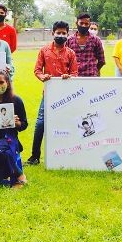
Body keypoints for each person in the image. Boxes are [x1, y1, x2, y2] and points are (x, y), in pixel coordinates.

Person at [25, 21, 78, 165]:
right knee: (40, 123)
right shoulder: (44, 50)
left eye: (63, 33)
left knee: (66, 122)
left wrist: (69, 77)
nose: (60, 35)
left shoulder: (71, 53)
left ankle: (68, 154)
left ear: (68, 35)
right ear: (52, 33)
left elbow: (75, 73)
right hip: (48, 94)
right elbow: (37, 70)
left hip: (66, 95)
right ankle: (35, 156)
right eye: (58, 33)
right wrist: (42, 77)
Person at [66, 12, 105, 77]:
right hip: (74, 77)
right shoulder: (69, 40)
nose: (83, 25)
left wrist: (94, 70)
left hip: (91, 77)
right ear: (76, 23)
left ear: (89, 25)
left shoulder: (96, 40)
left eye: (86, 24)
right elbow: (65, 60)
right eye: (81, 23)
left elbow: (101, 60)